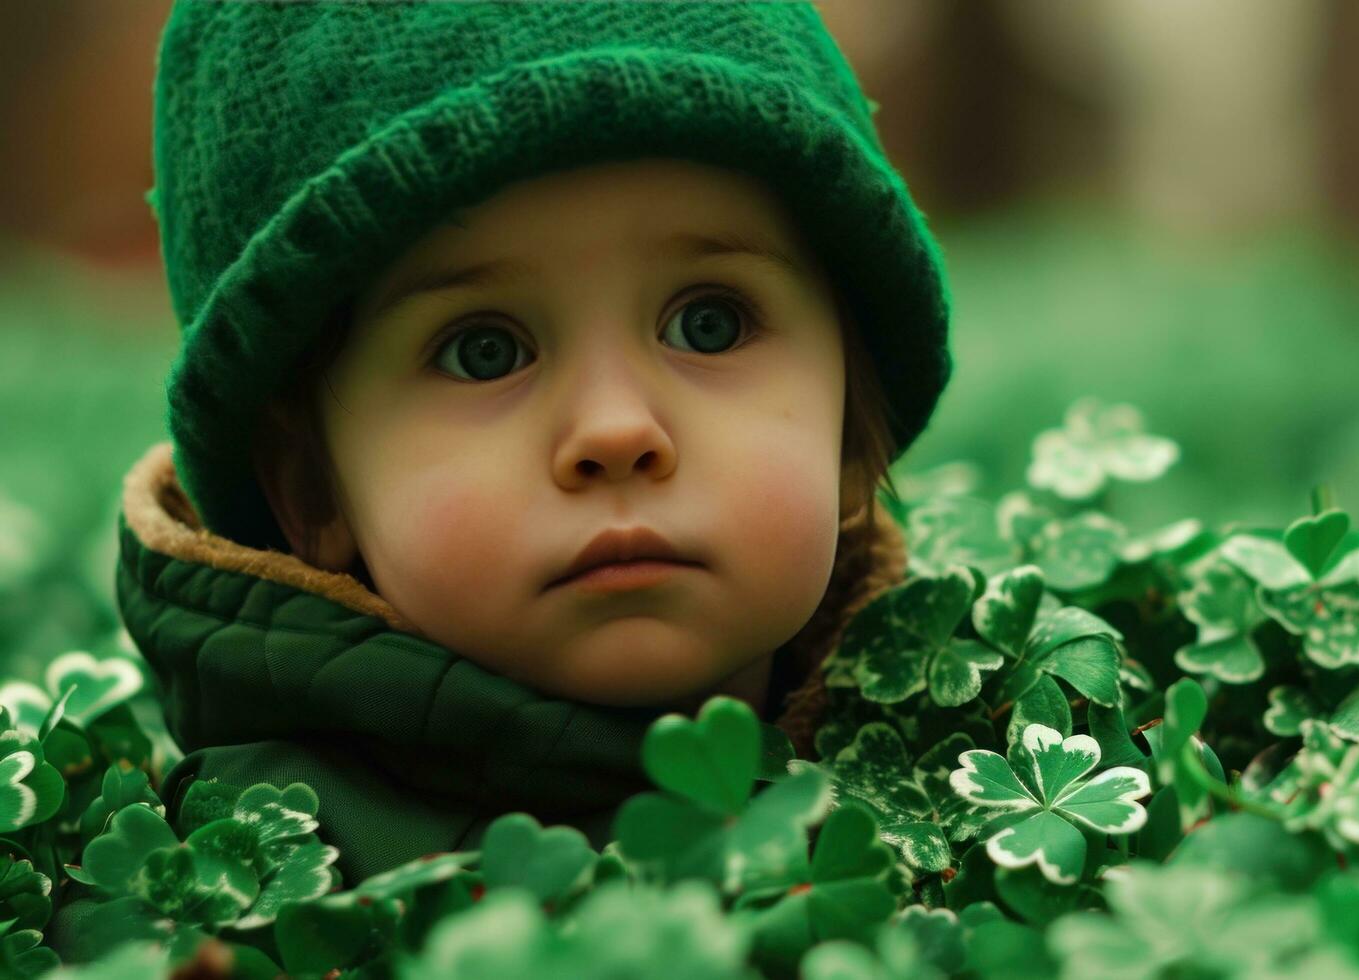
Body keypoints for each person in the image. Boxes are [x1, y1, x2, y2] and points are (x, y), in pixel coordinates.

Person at [108, 1, 953, 887]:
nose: (616, 432)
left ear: (854, 418)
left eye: (709, 324)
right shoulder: (261, 864)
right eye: (485, 351)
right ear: (311, 487)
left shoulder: (964, 745)